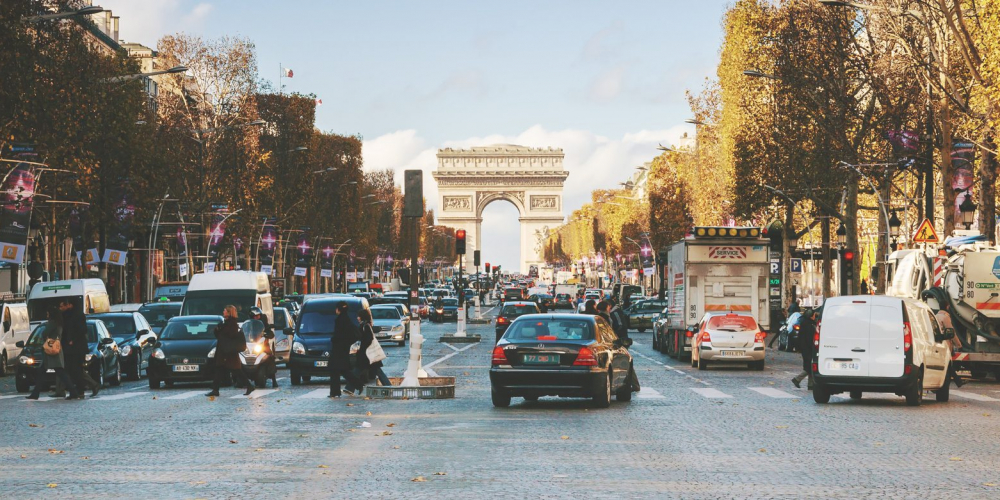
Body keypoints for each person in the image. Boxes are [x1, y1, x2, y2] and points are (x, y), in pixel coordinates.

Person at [27, 307, 81, 400]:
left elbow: (45, 333)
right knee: (53, 372)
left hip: (50, 350)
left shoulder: (53, 322)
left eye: (48, 313)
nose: (47, 315)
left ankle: (73, 392)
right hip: (55, 349)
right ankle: (35, 393)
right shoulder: (59, 322)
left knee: (57, 372)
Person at [207, 305, 252, 397]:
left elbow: (229, 336)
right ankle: (215, 390)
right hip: (224, 351)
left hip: (228, 353)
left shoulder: (232, 324)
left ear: (229, 312)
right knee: (219, 370)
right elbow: (220, 336)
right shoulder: (226, 323)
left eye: (224, 310)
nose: (223, 311)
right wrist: (218, 330)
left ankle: (249, 386)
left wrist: (220, 330)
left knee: (236, 371)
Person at [61, 299, 99, 398]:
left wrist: (72, 339)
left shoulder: (77, 315)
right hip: (71, 347)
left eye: (66, 305)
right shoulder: (68, 315)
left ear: (70, 304)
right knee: (74, 369)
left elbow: (82, 330)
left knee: (76, 369)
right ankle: (83, 388)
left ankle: (82, 389)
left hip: (77, 347)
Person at [329, 302, 363, 397]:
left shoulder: (340, 320)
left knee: (335, 370)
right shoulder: (347, 319)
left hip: (338, 349)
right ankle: (357, 385)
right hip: (343, 348)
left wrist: (334, 339)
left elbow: (338, 335)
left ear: (339, 309)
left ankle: (335, 392)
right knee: (344, 370)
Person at [356, 309, 391, 388]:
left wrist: (363, 347)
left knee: (358, 370)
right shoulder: (365, 325)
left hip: (368, 353)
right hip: (368, 354)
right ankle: (388, 385)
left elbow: (369, 338)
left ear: (362, 317)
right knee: (376, 371)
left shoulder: (365, 326)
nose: (357, 318)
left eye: (358, 316)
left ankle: (350, 388)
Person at [935, 301, 966, 388]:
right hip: (945, 344)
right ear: (947, 306)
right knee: (948, 364)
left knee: (947, 364)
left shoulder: (935, 316)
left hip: (938, 343)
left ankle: (958, 381)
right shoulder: (945, 317)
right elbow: (951, 332)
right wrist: (959, 345)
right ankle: (957, 381)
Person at [249, 306, 278, 388]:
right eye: (254, 316)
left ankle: (273, 379)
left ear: (260, 315)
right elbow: (244, 331)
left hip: (262, 345)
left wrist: (267, 334)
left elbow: (271, 334)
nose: (256, 317)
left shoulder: (264, 323)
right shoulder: (249, 324)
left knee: (270, 357)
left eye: (257, 316)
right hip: (251, 345)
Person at [792, 308, 817, 389]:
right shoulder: (809, 325)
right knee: (809, 367)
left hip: (805, 348)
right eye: (813, 315)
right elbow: (810, 338)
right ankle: (797, 379)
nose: (814, 316)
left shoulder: (805, 323)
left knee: (809, 365)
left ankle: (810, 384)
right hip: (808, 348)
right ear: (810, 316)